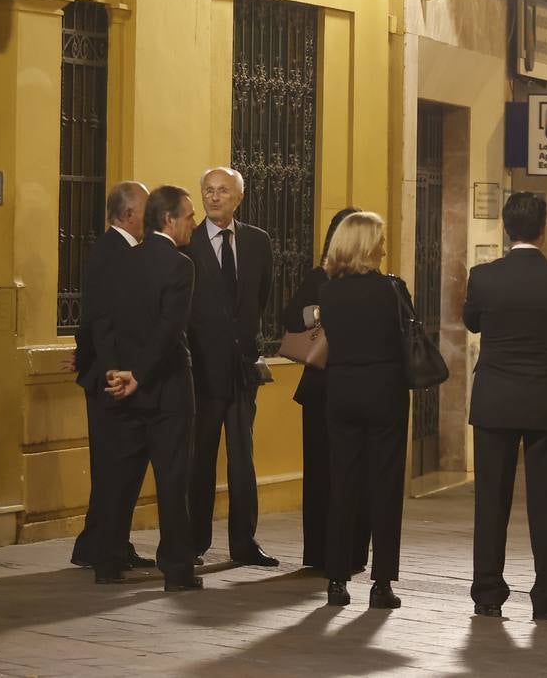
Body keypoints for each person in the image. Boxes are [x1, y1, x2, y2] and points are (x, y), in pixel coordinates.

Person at [463, 192, 547, 621]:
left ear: (505, 226)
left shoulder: (483, 276)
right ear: (543, 227)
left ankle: (487, 594)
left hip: (495, 398)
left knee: (490, 501)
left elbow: (472, 321)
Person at [93, 185, 202, 592]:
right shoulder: (180, 265)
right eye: (189, 215)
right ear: (169, 220)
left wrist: (115, 372)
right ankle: (177, 570)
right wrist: (139, 373)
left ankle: (106, 561)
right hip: (168, 389)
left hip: (122, 387)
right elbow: (169, 329)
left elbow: (101, 320)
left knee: (120, 478)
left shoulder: (123, 260)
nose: (194, 222)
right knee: (173, 480)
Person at [186, 167, 277, 566]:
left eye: (223, 191)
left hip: (242, 370)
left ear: (238, 197)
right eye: (208, 190)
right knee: (200, 459)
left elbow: (261, 298)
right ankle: (193, 543)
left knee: (243, 458)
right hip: (202, 372)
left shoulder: (258, 241)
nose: (214, 197)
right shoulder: (186, 242)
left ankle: (244, 542)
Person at [319, 212, 410, 610]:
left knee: (343, 484)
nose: (385, 244)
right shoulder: (392, 289)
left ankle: (336, 580)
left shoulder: (329, 292)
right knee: (385, 487)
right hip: (384, 392)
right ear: (370, 245)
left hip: (340, 392)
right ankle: (382, 584)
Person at [68, 182, 155, 573]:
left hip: (103, 372)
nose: (150, 217)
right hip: (111, 378)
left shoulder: (116, 249)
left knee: (111, 467)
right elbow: (100, 317)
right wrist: (97, 362)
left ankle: (99, 543)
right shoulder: (115, 252)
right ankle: (107, 548)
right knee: (114, 468)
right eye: (146, 209)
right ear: (128, 214)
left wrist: (84, 356)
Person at [280, 207, 370, 572]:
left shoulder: (374, 281)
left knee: (355, 473)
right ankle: (318, 552)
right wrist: (319, 311)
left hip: (358, 388)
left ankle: (352, 553)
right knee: (321, 472)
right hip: (321, 388)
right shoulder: (320, 277)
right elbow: (289, 317)